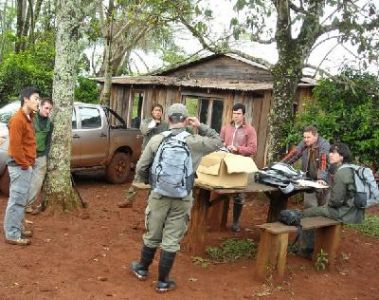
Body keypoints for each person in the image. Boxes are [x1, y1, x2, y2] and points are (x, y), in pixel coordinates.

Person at [130, 103, 223, 293]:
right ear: (186, 119)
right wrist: (200, 125)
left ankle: (142, 269)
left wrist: (153, 183)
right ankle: (163, 282)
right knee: (171, 238)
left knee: (153, 233)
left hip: (158, 195)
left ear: (168, 119)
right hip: (183, 197)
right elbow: (218, 141)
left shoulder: (156, 140)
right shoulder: (196, 141)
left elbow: (140, 167)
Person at [298, 142, 365, 257]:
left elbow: (336, 201)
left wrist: (326, 206)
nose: (330, 155)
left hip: (345, 212)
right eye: (330, 152)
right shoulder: (352, 168)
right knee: (319, 210)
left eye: (334, 153)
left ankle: (306, 250)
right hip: (355, 210)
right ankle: (317, 246)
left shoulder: (341, 172)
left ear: (342, 156)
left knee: (307, 212)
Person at [3, 87, 40, 246]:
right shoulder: (18, 119)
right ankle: (12, 233)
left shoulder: (28, 117)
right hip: (20, 166)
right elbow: (16, 147)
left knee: (20, 199)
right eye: (36, 98)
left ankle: (17, 227)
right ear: (26, 99)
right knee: (17, 200)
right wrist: (25, 164)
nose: (38, 101)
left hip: (24, 165)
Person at [118, 104, 168, 208]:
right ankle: (129, 200)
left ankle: (152, 202)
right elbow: (144, 131)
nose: (158, 112)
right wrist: (154, 123)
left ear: (162, 113)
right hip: (147, 153)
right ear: (152, 112)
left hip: (160, 155)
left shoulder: (165, 125)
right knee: (139, 174)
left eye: (160, 111)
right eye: (156, 110)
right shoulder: (146, 122)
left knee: (156, 177)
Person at [220, 103, 257, 232]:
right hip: (226, 163)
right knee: (220, 191)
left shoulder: (249, 130)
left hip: (241, 165)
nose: (236, 116)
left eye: (238, 114)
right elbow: (219, 143)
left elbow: (253, 149)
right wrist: (224, 146)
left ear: (244, 115)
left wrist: (237, 148)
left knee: (239, 195)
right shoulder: (226, 128)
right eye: (234, 113)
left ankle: (235, 222)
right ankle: (219, 221)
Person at [281, 126, 330, 207]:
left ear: (316, 136)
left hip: (323, 180)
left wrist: (321, 178)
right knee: (309, 207)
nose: (305, 139)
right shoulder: (304, 143)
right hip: (309, 179)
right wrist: (280, 165)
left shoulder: (324, 145)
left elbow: (323, 162)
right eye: (304, 137)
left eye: (308, 137)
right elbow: (294, 154)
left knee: (323, 206)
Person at [25, 98, 54, 214]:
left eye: (50, 109)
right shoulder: (31, 119)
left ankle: (28, 205)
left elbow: (48, 142)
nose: (48, 111)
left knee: (37, 183)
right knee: (24, 181)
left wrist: (46, 155)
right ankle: (20, 203)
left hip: (41, 156)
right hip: (28, 155)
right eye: (46, 108)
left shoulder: (50, 124)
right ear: (40, 107)